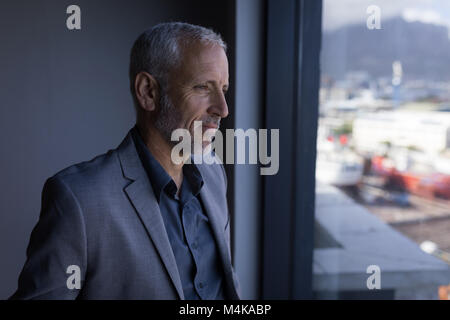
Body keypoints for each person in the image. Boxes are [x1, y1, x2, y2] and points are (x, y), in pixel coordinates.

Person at [10, 22, 240, 300]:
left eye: (223, 89)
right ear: (148, 91)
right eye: (203, 86)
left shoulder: (214, 173)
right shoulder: (79, 200)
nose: (223, 109)